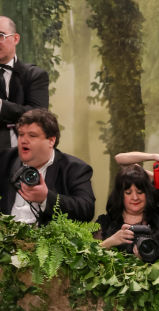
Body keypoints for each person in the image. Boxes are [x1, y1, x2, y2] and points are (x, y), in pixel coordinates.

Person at [0, 108, 94, 224]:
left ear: (51, 141)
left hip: (44, 240)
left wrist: (46, 198)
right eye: (21, 134)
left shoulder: (74, 168)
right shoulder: (5, 160)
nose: (23, 140)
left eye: (32, 135)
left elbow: (86, 209)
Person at [94, 164, 159, 260]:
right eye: (128, 192)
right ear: (120, 195)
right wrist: (110, 242)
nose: (135, 198)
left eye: (140, 192)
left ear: (147, 194)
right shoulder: (105, 223)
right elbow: (89, 258)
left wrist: (148, 260)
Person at [0, 16, 49, 150]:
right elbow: (27, 111)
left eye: (0, 35)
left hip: (25, 155)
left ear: (15, 38)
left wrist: (1, 106)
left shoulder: (35, 75)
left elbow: (38, 115)